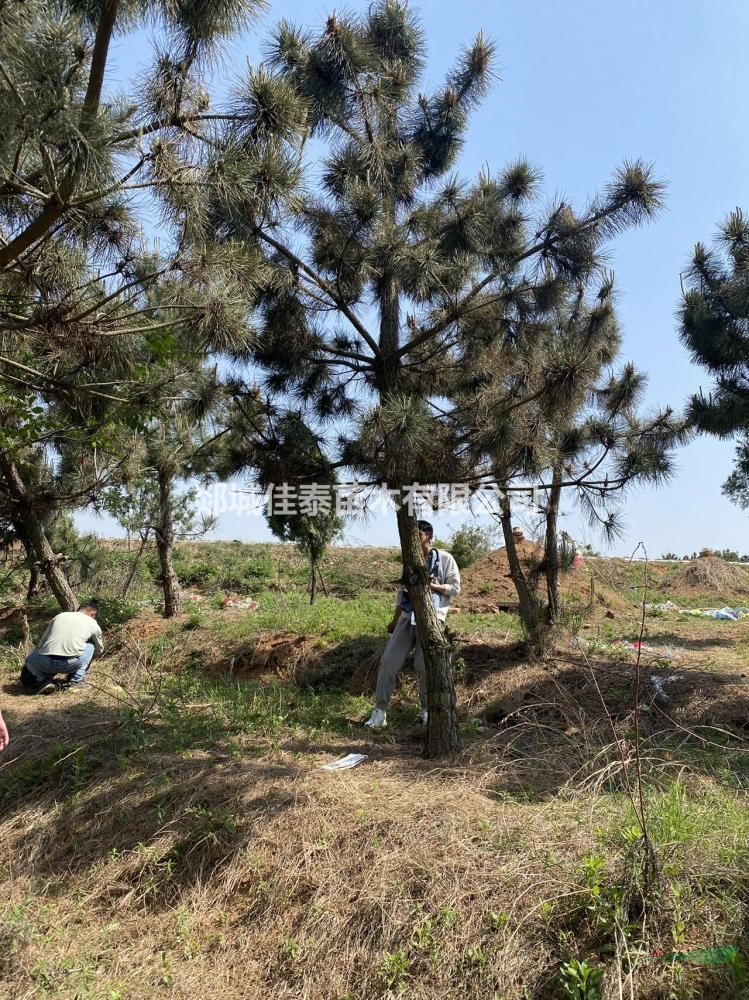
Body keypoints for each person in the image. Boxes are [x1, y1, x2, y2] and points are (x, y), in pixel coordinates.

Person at [364, 520, 460, 729]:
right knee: (389, 660)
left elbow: (455, 588)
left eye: (417, 534)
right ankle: (380, 711)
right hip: (408, 617)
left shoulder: (445, 559)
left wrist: (434, 586)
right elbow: (402, 594)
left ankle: (426, 711)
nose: (413, 539)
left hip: (433, 619)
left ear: (428, 536)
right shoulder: (410, 562)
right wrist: (394, 620)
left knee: (424, 666)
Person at [20, 600, 104, 695]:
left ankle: (44, 680)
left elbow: (42, 643)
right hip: (71, 665)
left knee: (30, 659)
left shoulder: (59, 616)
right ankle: (76, 681)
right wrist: (88, 662)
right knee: (90, 645)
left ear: (79, 609)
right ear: (93, 613)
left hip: (44, 663)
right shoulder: (93, 623)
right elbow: (99, 650)